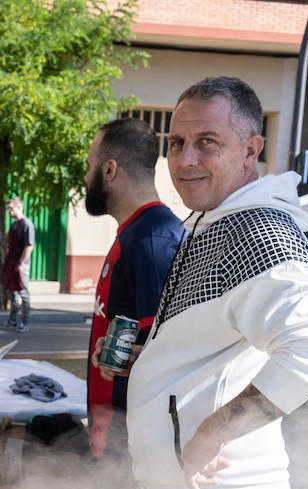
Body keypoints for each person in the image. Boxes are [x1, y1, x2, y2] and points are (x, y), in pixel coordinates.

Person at [92, 76, 308, 489]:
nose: (186, 159)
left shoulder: (259, 232)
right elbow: (217, 341)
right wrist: (147, 354)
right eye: (178, 143)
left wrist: (212, 433)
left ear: (251, 149)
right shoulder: (212, 220)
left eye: (207, 142)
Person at [82, 117, 186, 459]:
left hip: (129, 449)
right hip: (112, 436)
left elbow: (167, 359)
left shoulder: (153, 241)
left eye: (89, 166)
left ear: (109, 170)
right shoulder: (136, 233)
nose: (85, 177)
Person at [1, 197, 34, 330]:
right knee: (12, 292)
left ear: (19, 207)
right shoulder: (14, 224)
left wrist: (20, 263)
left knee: (23, 293)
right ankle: (12, 320)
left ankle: (24, 322)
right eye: (8, 209)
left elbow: (29, 246)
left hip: (21, 264)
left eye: (11, 208)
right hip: (12, 262)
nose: (9, 211)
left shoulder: (27, 224)